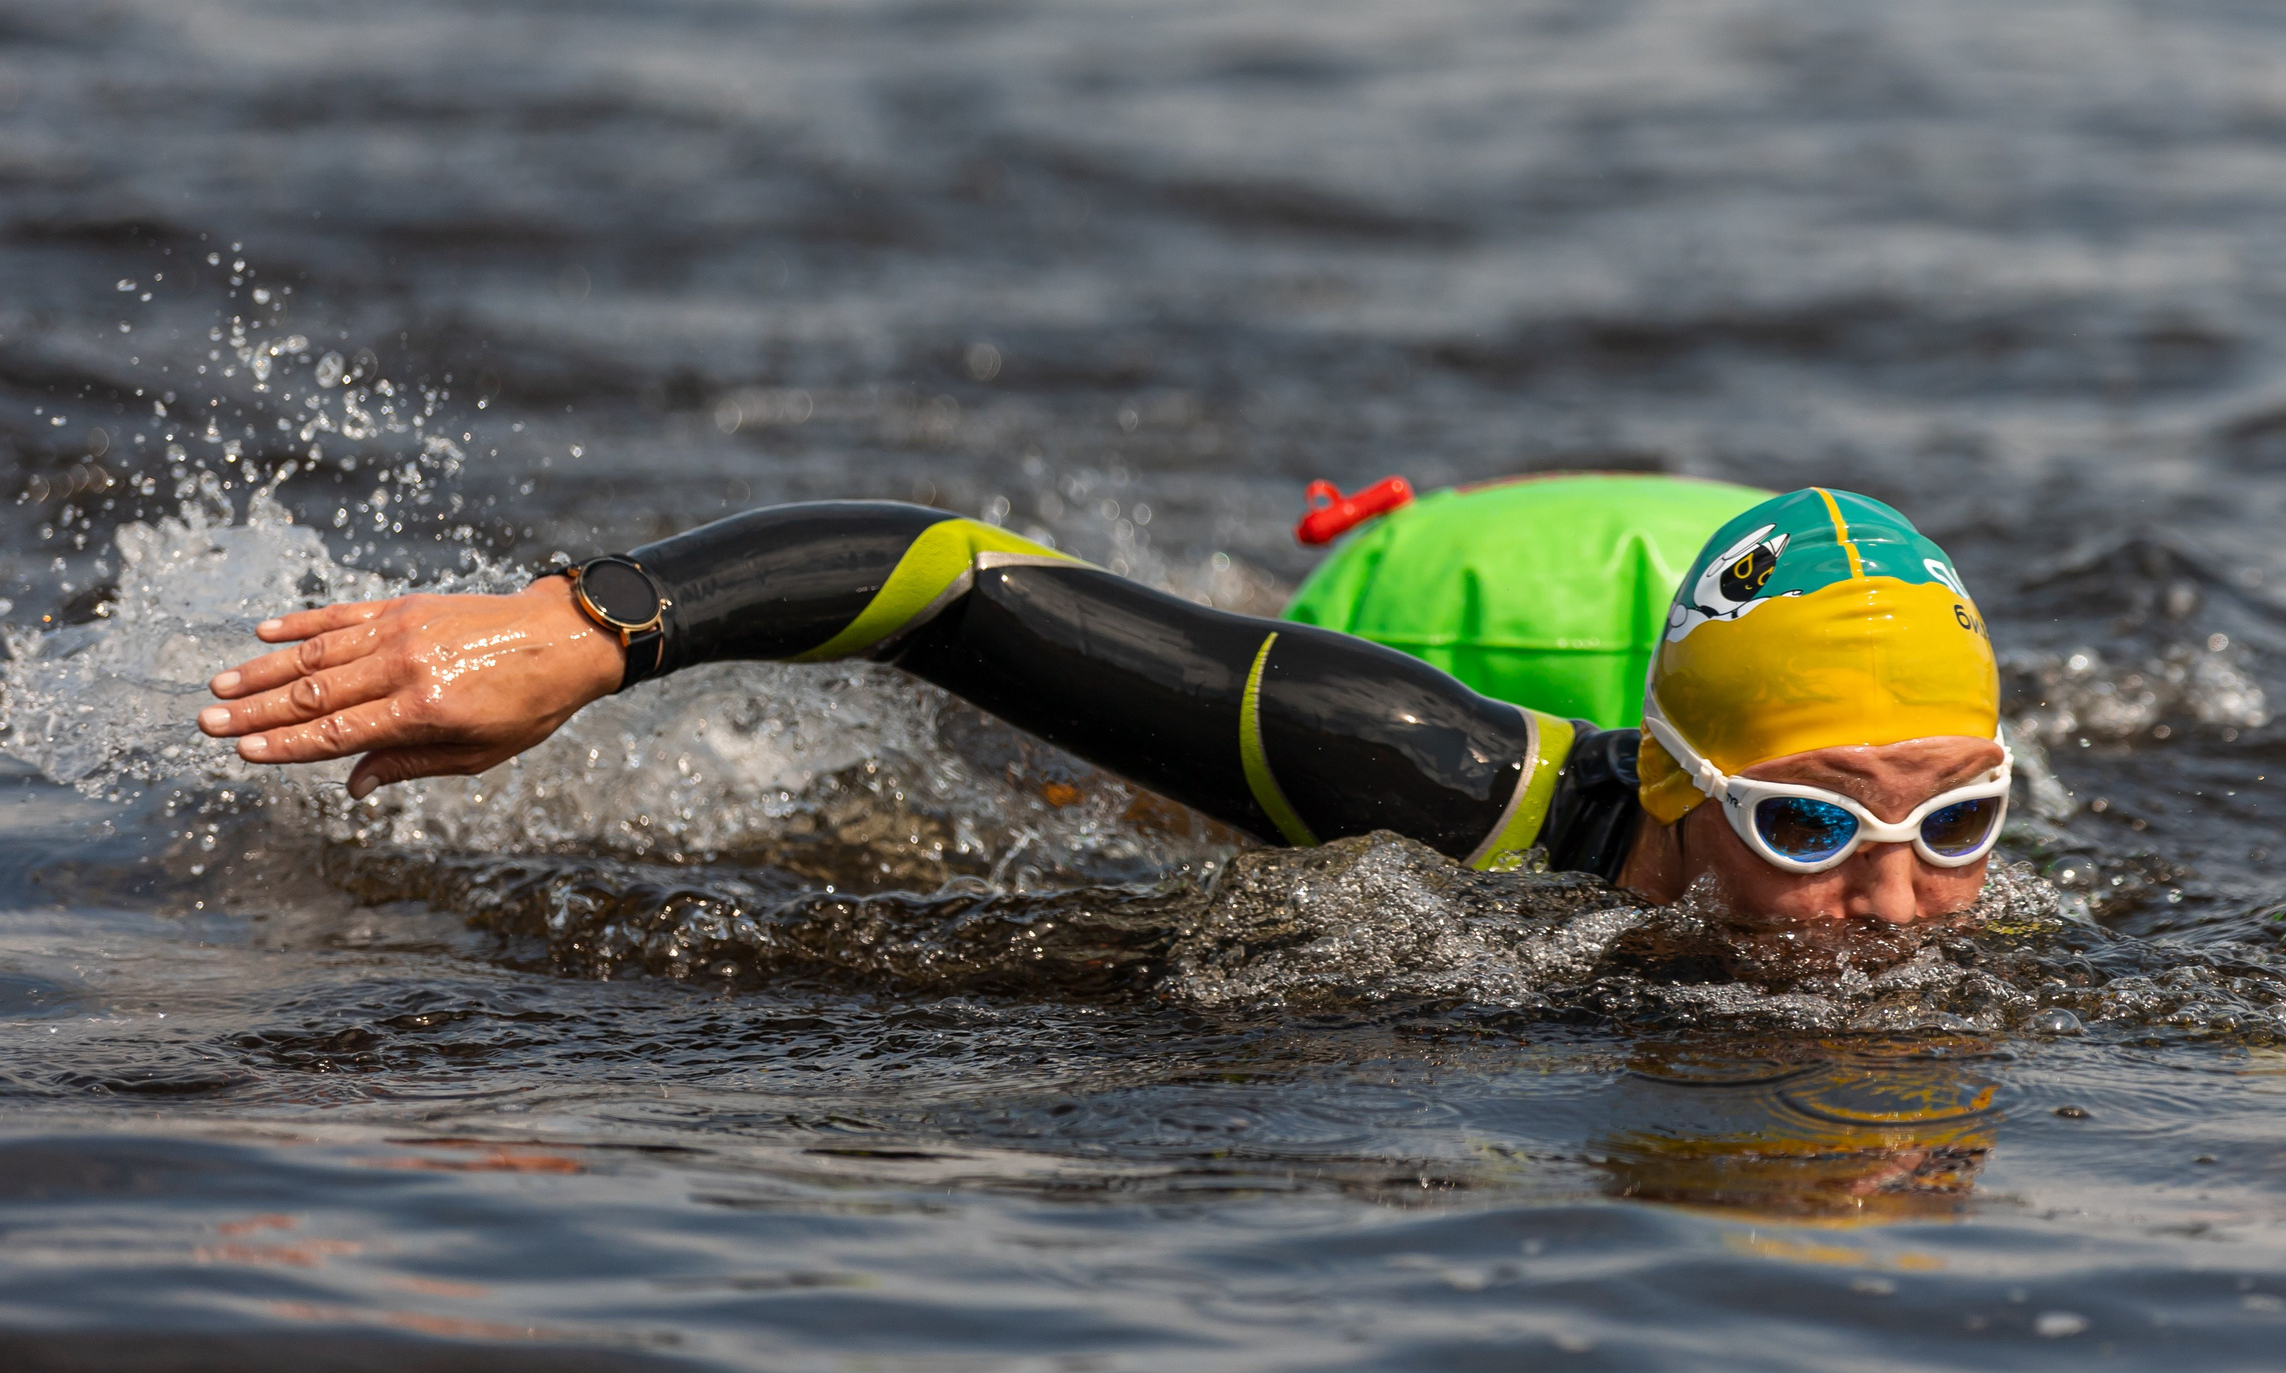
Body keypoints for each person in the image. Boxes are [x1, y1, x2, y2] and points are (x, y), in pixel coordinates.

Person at [194, 486, 2007, 924]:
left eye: (1955, 822)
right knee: (1121, 807)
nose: (1898, 902)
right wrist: (578, 629)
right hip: (1446, 593)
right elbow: (945, 578)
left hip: (1663, 560)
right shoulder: (1414, 771)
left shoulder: (1920, 824)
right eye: (1811, 825)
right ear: (1689, 789)